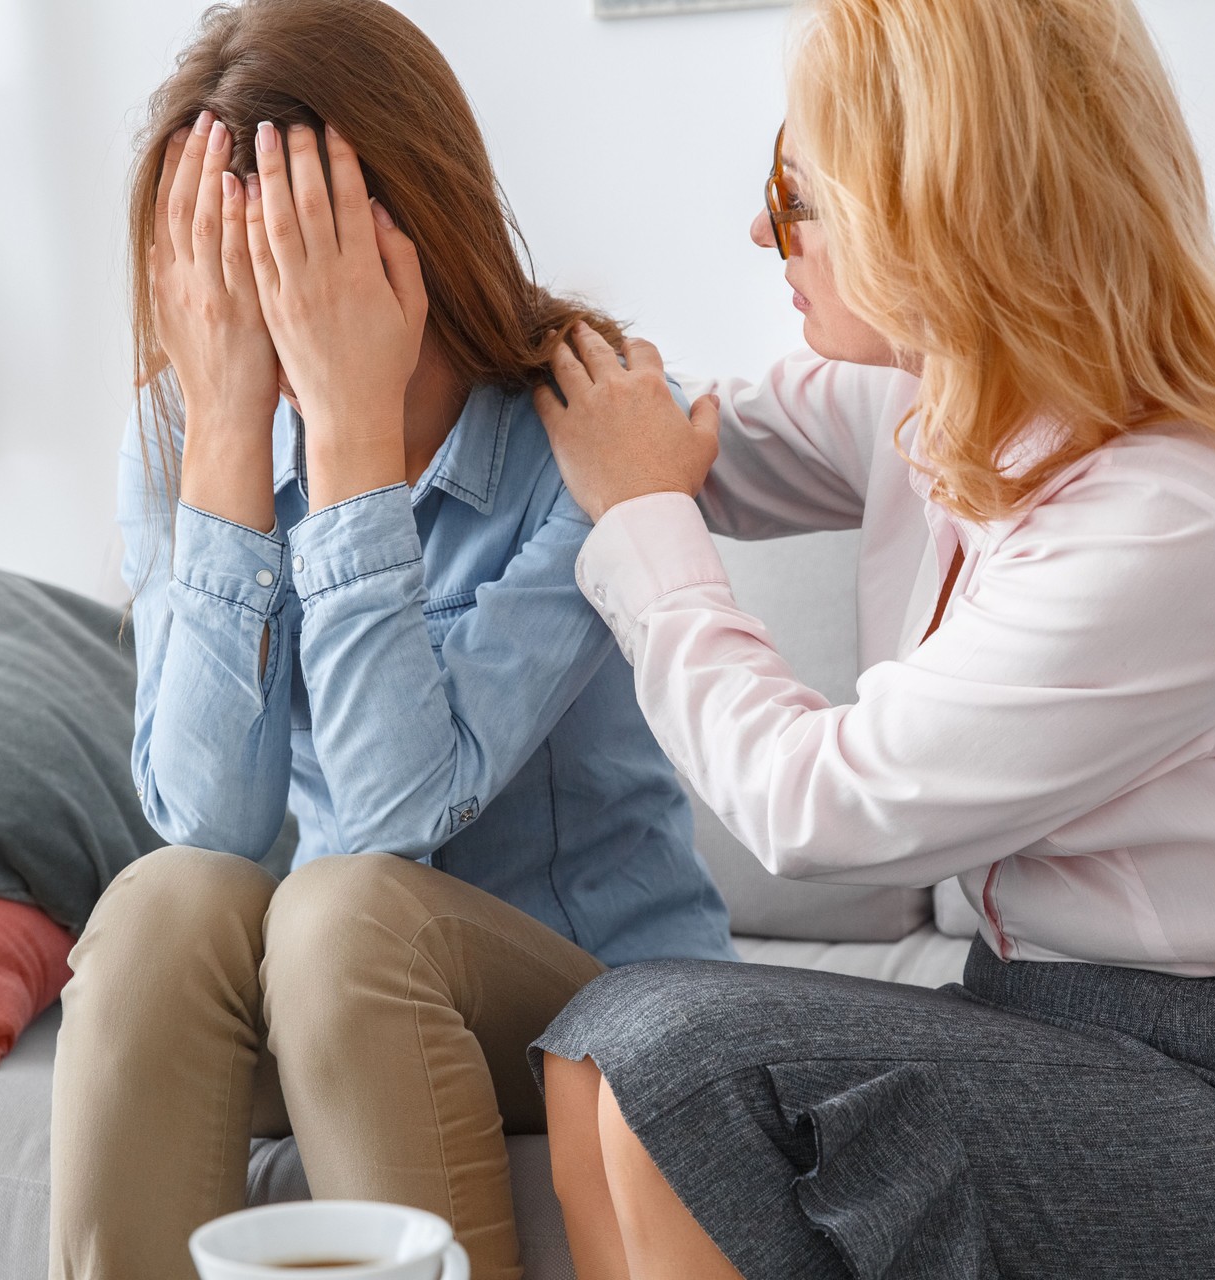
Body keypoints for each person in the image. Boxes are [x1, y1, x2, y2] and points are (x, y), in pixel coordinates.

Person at [528, 0, 1215, 1277]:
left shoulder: (1175, 514)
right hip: (1067, 1023)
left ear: (936, 200)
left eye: (797, 187)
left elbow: (813, 803)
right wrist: (470, 338)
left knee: (673, 1053)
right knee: (595, 1049)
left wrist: (647, 517)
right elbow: (693, 435)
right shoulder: (948, 388)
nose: (762, 227)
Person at [48, 4, 733, 1279]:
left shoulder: (579, 433)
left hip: (584, 1001)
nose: (261, 296)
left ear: (411, 225)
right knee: (160, 903)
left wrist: (352, 432)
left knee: (344, 911)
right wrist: (226, 447)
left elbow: (388, 812)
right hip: (322, 1005)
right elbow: (207, 818)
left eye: (300, 247)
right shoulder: (192, 433)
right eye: (222, 255)